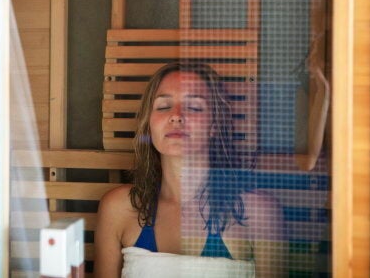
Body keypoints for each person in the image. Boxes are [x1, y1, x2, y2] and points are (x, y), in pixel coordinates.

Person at [94, 62, 285, 278]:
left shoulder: (258, 213)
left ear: (215, 126)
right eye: (164, 107)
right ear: (149, 125)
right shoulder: (117, 208)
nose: (176, 116)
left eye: (194, 107)